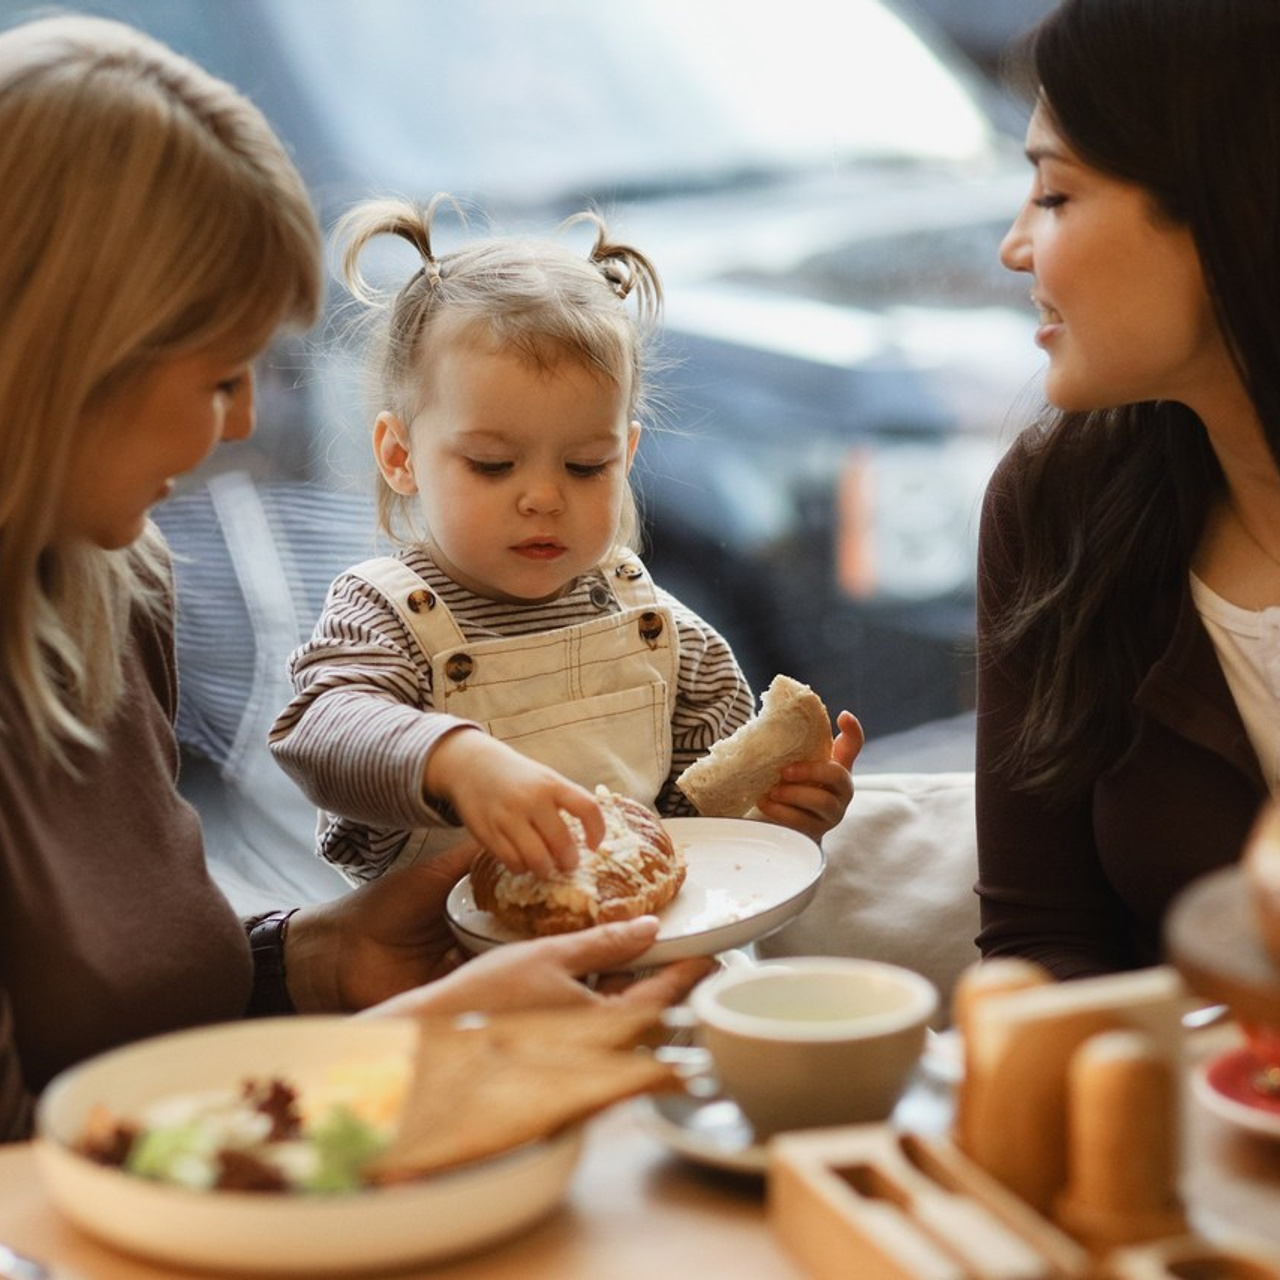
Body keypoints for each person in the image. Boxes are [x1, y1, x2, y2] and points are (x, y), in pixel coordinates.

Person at [0, 14, 710, 1144]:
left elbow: (137, 1024)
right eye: (220, 373)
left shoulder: (104, 585)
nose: (242, 420)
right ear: (62, 357)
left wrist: (319, 961)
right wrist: (401, 1058)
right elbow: (30, 1182)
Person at [269, 195, 862, 883]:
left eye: (586, 466)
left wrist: (778, 818)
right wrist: (455, 761)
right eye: (493, 464)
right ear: (401, 456)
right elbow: (318, 731)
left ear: (626, 456)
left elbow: (701, 825)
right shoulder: (386, 617)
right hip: (433, 948)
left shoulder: (654, 629)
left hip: (633, 933)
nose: (544, 498)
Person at [974, 0, 1280, 979]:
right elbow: (1040, 940)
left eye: (1054, 194)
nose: (1015, 246)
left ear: (1232, 200)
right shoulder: (1055, 506)